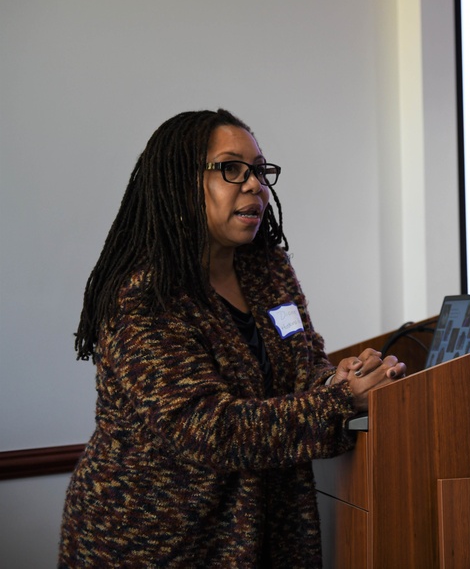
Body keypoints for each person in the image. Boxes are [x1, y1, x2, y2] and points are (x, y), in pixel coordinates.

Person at [60, 110, 405, 566]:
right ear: (180, 182)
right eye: (230, 168)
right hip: (155, 546)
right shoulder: (145, 295)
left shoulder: (267, 269)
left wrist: (333, 379)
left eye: (259, 171)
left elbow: (300, 365)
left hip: (261, 532)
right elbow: (207, 430)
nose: (254, 185)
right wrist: (338, 402)